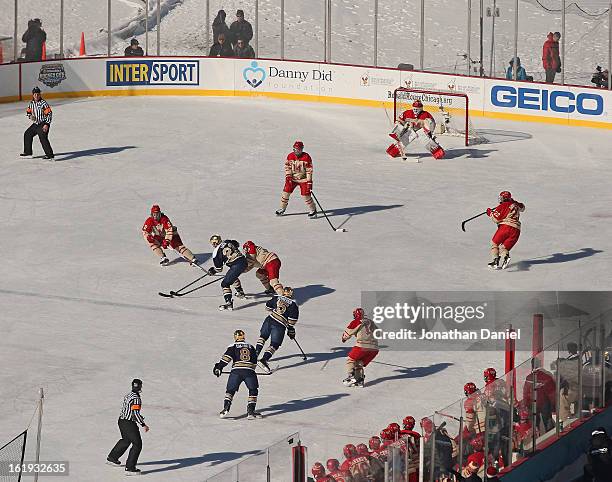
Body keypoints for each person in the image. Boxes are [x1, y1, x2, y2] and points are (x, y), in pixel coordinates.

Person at [213, 329, 262, 419]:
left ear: (235, 337)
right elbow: (255, 361)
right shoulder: (251, 346)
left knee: (230, 390)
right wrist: (250, 369)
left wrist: (219, 367)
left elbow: (226, 358)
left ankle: (226, 408)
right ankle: (250, 412)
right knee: (253, 390)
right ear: (243, 337)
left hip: (236, 371)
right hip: (249, 371)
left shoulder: (233, 346)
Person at [107, 379, 150, 476]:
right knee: (137, 444)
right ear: (140, 387)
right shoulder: (136, 399)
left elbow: (128, 410)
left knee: (126, 440)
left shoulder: (129, 395)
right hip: (128, 423)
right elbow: (135, 414)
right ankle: (130, 468)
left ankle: (112, 458)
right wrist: (143, 424)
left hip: (121, 421)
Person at [256, 286, 299, 373]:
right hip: (279, 324)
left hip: (269, 319)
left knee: (263, 337)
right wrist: (290, 329)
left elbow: (267, 307)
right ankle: (264, 360)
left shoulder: (276, 297)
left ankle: (255, 354)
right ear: (291, 294)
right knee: (275, 344)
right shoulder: (293, 305)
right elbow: (292, 320)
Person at [275, 140, 317, 218]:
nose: (297, 151)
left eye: (299, 149)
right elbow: (287, 167)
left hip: (303, 179)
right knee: (286, 193)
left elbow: (309, 171)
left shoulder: (306, 157)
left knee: (306, 195)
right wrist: (288, 176)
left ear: (302, 149)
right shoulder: (290, 156)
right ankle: (282, 208)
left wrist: (309, 182)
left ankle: (313, 209)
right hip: (292, 179)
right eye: (295, 149)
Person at [207, 235, 247, 310]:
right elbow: (236, 244)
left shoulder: (216, 252)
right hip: (244, 261)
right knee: (231, 276)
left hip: (236, 265)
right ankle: (240, 292)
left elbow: (219, 269)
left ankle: (229, 303)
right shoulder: (227, 241)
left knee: (225, 284)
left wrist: (213, 271)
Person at [486, 191, 525, 270]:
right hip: (516, 230)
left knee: (494, 244)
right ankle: (505, 257)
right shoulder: (515, 205)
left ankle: (495, 261)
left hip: (506, 227)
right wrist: (514, 202)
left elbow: (496, 219)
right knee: (504, 248)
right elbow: (523, 207)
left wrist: (490, 213)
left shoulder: (502, 206)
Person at [341, 308, 379, 387]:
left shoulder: (357, 321)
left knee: (350, 359)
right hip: (374, 348)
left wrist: (344, 338)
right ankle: (359, 380)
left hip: (362, 345)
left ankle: (350, 376)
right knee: (359, 363)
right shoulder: (370, 322)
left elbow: (348, 333)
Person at [21, 87, 54, 160]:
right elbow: (28, 112)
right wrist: (30, 116)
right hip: (35, 124)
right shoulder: (31, 103)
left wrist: (47, 124)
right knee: (27, 134)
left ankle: (50, 155)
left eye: (38, 94)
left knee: (42, 137)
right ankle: (28, 153)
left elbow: (49, 114)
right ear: (33, 95)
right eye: (35, 94)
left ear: (40, 95)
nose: (36, 96)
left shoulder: (43, 103)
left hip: (43, 123)